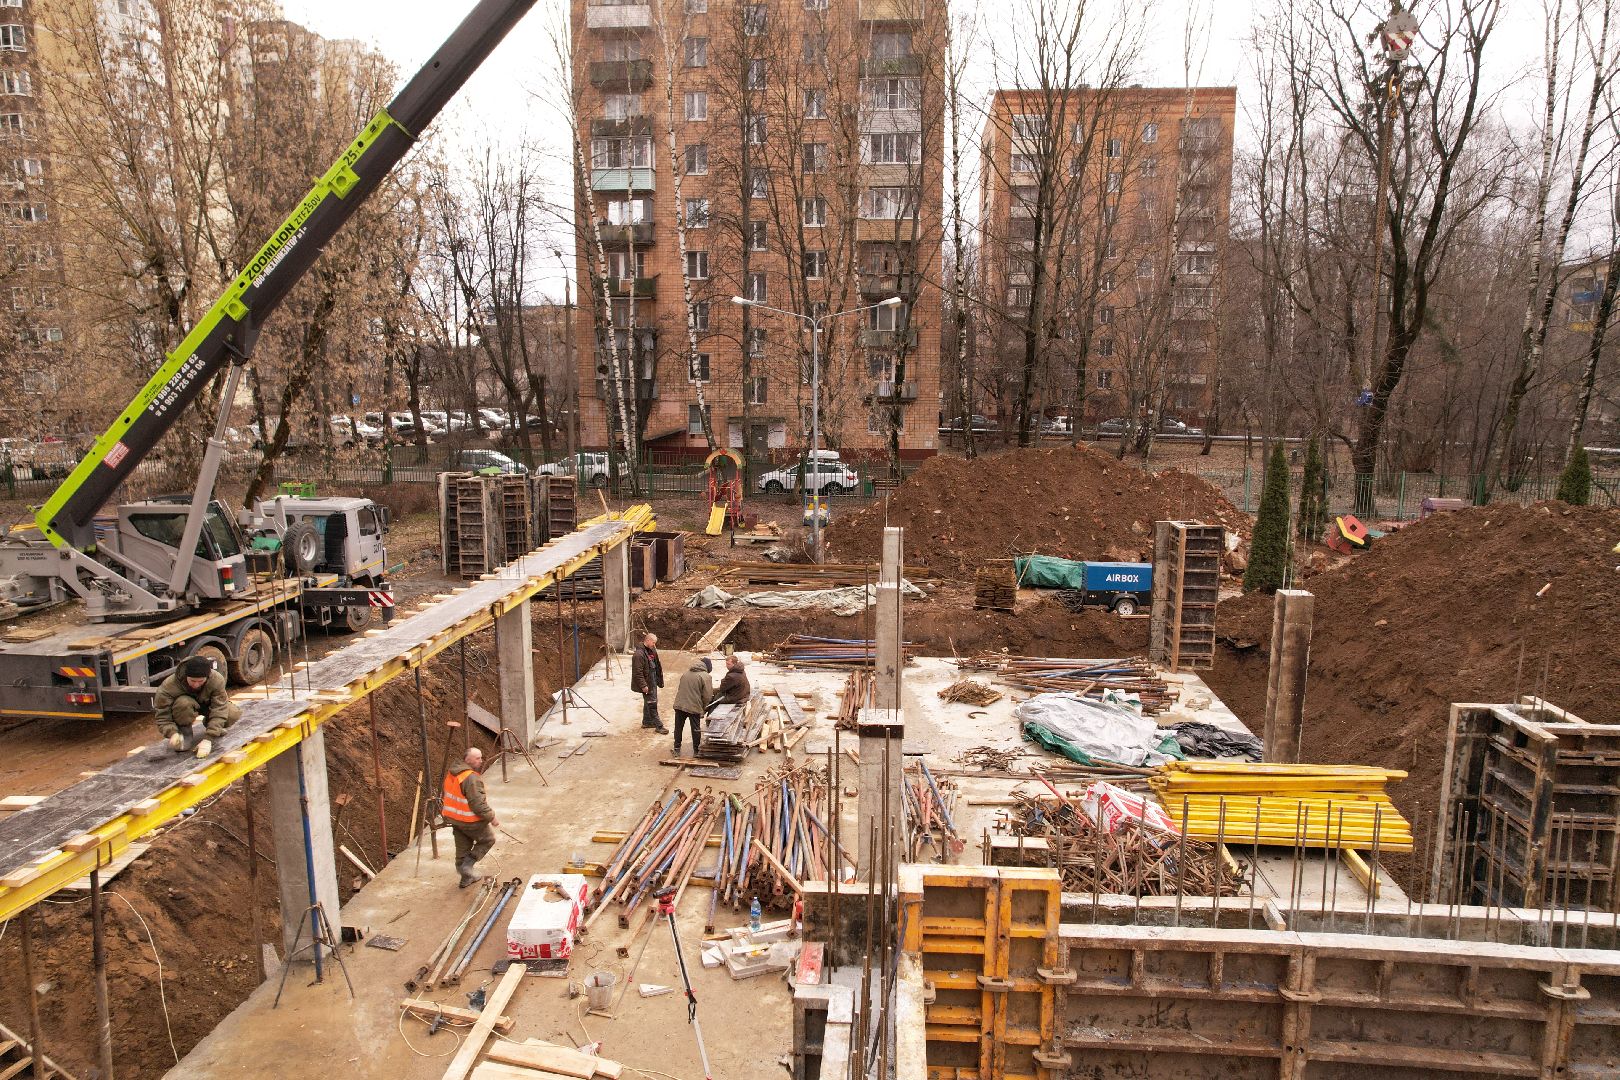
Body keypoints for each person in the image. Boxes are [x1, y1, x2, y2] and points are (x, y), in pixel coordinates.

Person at [154, 655, 241, 758]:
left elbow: (220, 709)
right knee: (183, 703)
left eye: (200, 681)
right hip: (184, 708)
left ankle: (210, 724)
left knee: (232, 713)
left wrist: (209, 738)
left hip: (207, 705)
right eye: (192, 681)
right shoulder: (169, 685)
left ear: (207, 677)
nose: (196, 685)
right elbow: (162, 715)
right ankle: (184, 733)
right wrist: (172, 733)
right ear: (186, 676)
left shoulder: (216, 680)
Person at [442, 747, 498, 889]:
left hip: (455, 819)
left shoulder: (453, 773)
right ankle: (467, 865)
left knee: (463, 847)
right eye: (477, 758)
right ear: (468, 760)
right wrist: (492, 817)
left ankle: (466, 878)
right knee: (488, 839)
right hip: (470, 821)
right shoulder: (470, 778)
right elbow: (478, 804)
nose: (481, 761)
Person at [672, 657, 713, 756]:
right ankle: (696, 750)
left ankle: (676, 748)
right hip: (694, 706)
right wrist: (703, 708)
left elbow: (680, 688)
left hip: (680, 704)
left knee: (678, 727)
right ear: (708, 668)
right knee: (695, 729)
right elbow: (707, 696)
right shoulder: (706, 676)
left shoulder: (686, 673)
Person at [630, 631, 667, 734]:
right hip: (647, 682)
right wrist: (643, 685)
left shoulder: (652, 650)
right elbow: (637, 673)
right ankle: (659, 726)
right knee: (652, 703)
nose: (654, 645)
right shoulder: (638, 655)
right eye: (653, 642)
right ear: (648, 640)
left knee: (649, 701)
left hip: (653, 680)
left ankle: (647, 722)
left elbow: (657, 664)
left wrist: (659, 679)